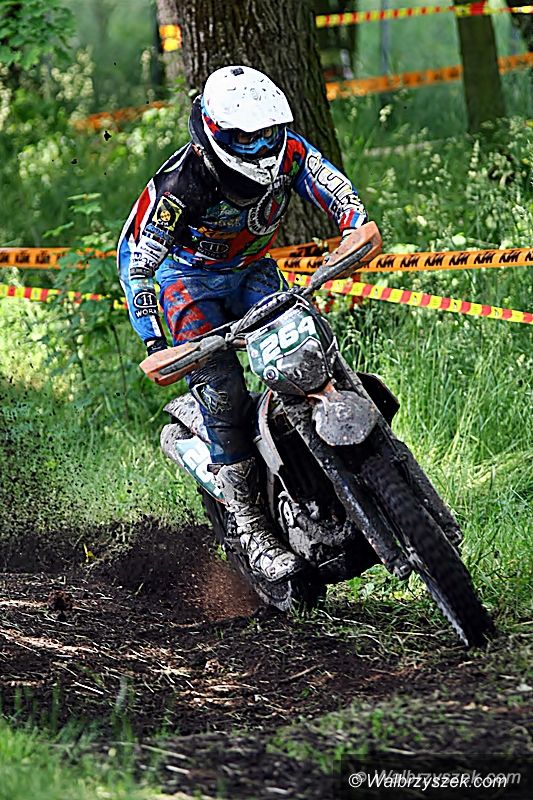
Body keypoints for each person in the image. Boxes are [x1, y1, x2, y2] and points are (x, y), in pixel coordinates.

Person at [117, 65, 381, 584]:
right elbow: (138, 262)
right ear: (216, 133)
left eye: (268, 132)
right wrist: (153, 341)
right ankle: (250, 524)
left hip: (252, 270)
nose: (260, 146)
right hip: (188, 283)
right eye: (246, 137)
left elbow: (328, 181)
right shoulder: (182, 185)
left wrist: (354, 222)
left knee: (306, 347)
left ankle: (362, 465)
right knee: (222, 390)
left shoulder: (290, 153)